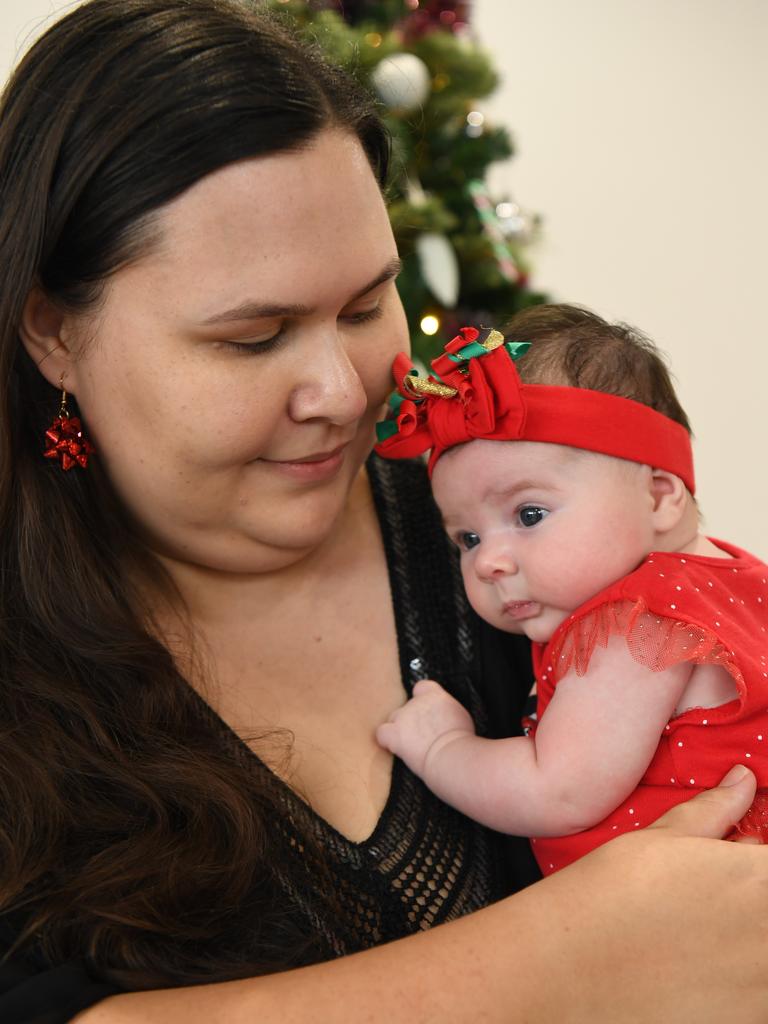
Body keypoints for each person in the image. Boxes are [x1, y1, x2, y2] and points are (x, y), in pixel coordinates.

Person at [1, 2, 768, 1022]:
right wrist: (562, 960)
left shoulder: (507, 519)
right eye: (254, 336)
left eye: (367, 306)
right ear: (54, 332)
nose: (344, 389)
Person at [375, 307, 768, 875]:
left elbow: (557, 791)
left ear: (659, 497)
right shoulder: (737, 575)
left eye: (529, 513)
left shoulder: (635, 622)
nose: (488, 561)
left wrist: (442, 750)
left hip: (678, 920)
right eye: (467, 537)